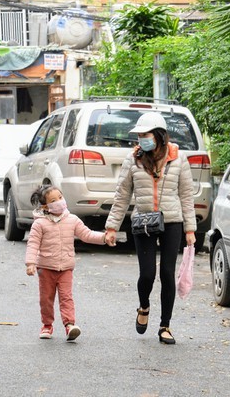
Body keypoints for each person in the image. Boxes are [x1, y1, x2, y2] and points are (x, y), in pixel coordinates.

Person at [105, 112, 197, 345]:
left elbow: (186, 195)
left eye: (145, 135)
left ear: (158, 135)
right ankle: (144, 307)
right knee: (147, 274)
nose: (141, 139)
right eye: (139, 135)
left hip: (172, 221)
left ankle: (165, 325)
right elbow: (122, 195)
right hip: (143, 221)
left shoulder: (178, 159)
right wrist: (112, 227)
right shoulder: (133, 159)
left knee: (167, 274)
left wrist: (190, 228)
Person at [26, 185, 117, 341]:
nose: (59, 202)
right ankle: (47, 325)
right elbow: (33, 244)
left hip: (66, 268)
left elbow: (86, 235)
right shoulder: (39, 224)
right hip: (46, 267)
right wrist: (30, 263)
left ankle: (70, 325)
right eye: (54, 200)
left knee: (66, 297)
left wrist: (103, 238)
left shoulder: (72, 220)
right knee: (46, 299)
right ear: (45, 206)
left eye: (60, 197)